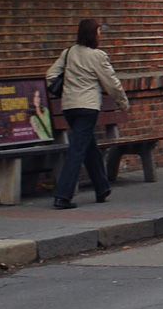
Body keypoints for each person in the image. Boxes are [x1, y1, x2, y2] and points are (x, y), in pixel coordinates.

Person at [46, 19, 129, 209]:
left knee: (89, 147)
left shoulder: (68, 53)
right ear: (94, 34)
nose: (100, 34)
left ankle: (102, 188)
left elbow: (50, 75)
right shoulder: (97, 56)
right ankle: (63, 195)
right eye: (99, 31)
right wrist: (123, 103)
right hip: (87, 108)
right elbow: (112, 83)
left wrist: (63, 91)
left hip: (68, 107)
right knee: (77, 150)